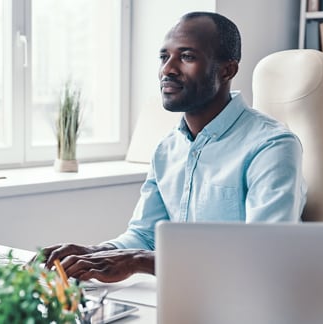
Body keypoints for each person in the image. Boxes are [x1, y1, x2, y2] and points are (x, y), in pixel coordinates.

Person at [38, 11, 306, 283]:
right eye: (164, 57)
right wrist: (97, 252)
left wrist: (139, 261)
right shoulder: (167, 149)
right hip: (180, 295)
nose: (167, 69)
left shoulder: (271, 146)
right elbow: (144, 235)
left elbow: (263, 254)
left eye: (187, 57)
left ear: (227, 70)